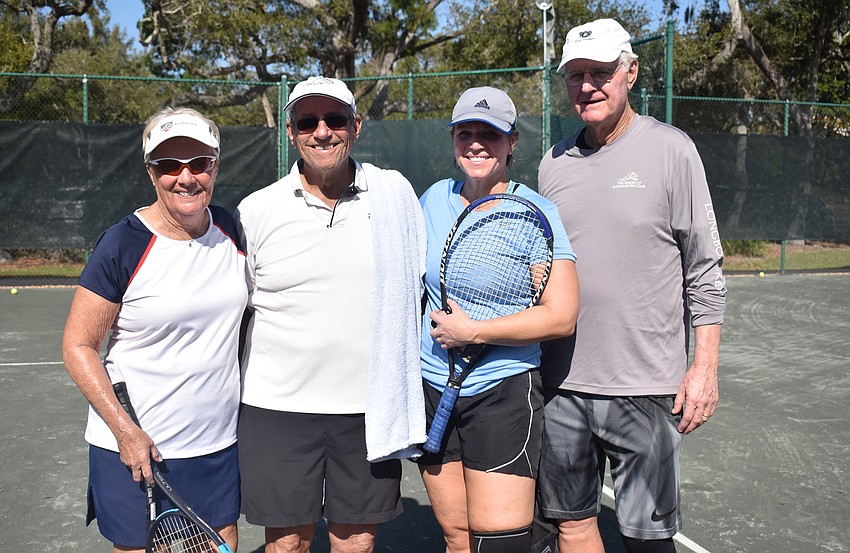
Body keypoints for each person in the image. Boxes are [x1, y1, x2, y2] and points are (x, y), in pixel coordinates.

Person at [536, 18, 727, 553]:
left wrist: (704, 369)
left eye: (600, 72)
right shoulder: (552, 163)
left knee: (647, 539)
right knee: (572, 526)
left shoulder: (672, 151)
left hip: (644, 389)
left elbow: (704, 267)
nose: (588, 85)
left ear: (631, 72)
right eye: (575, 75)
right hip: (562, 386)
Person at [235, 76, 427, 553]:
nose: (322, 132)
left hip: (368, 411)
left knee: (356, 543)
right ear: (290, 132)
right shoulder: (255, 211)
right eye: (307, 122)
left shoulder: (393, 197)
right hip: (277, 411)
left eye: (335, 119)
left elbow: (422, 282)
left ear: (355, 126)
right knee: (288, 545)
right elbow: (235, 307)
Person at [62, 106, 246, 553]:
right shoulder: (123, 244)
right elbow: (78, 345)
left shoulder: (231, 229)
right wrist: (126, 432)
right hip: (136, 450)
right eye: (169, 165)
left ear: (215, 166)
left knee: (223, 541)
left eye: (199, 163)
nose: (186, 177)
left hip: (216, 444)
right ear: (151, 172)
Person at [416, 86, 580, 553]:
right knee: (456, 537)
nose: (475, 144)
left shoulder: (538, 213)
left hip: (502, 392)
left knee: (499, 545)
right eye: (464, 133)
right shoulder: (433, 199)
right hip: (433, 388)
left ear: (511, 142)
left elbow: (561, 316)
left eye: (489, 134)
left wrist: (475, 332)